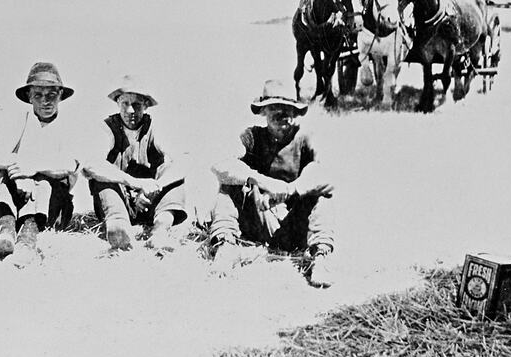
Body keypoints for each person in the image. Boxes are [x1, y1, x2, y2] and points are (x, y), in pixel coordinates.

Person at [208, 79, 337, 288]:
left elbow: (326, 173)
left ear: (295, 113)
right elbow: (219, 164)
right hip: (260, 217)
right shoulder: (252, 137)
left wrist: (288, 191)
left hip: (295, 223)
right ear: (263, 112)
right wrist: (262, 181)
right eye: (274, 108)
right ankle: (225, 247)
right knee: (228, 184)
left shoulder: (305, 138)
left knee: (321, 195)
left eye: (287, 109)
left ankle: (320, 257)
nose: (281, 114)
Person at [0, 62, 79, 266]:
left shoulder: (70, 126)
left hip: (51, 202)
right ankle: (6, 230)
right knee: (4, 172)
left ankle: (27, 242)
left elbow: (70, 165)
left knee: (45, 181)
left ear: (61, 95)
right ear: (29, 96)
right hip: (19, 194)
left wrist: (34, 168)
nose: (45, 101)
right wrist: (20, 175)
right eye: (38, 95)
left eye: (51, 95)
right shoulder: (21, 121)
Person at [82, 75, 187, 252]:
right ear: (117, 103)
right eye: (125, 103)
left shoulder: (155, 127)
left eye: (137, 104)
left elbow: (184, 160)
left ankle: (160, 232)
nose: (130, 110)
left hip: (150, 203)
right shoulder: (106, 128)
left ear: (146, 105)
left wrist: (155, 188)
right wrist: (136, 183)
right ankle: (119, 230)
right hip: (119, 200)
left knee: (171, 172)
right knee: (102, 177)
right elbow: (90, 164)